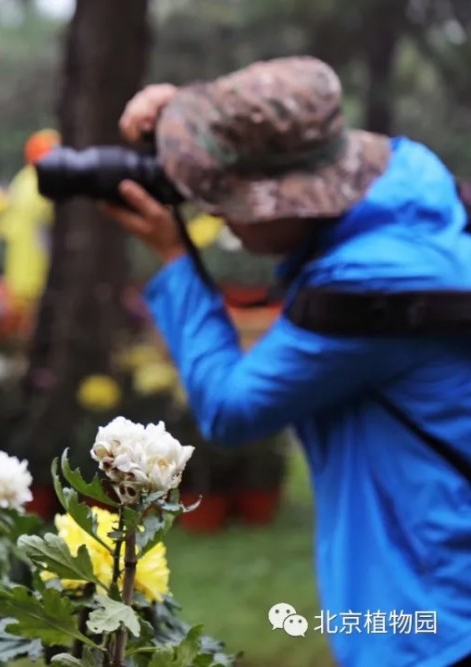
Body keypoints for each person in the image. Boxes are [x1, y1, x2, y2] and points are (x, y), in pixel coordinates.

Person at [100, 56, 471, 667]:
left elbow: (231, 409)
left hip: (433, 620)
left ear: (291, 202)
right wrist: (190, 120)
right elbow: (279, 132)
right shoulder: (407, 183)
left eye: (228, 198)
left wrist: (173, 257)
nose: (214, 212)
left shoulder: (372, 288)